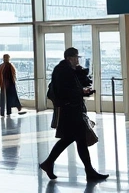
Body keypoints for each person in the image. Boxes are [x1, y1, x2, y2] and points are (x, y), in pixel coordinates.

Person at [39, 47, 109, 182]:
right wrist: (82, 93)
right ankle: (50, 163)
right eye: (76, 57)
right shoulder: (63, 71)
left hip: (72, 110)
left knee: (75, 140)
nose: (78, 59)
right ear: (70, 58)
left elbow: (79, 84)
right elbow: (65, 91)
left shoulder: (68, 70)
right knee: (73, 139)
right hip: (70, 111)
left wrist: (81, 74)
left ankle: (51, 163)